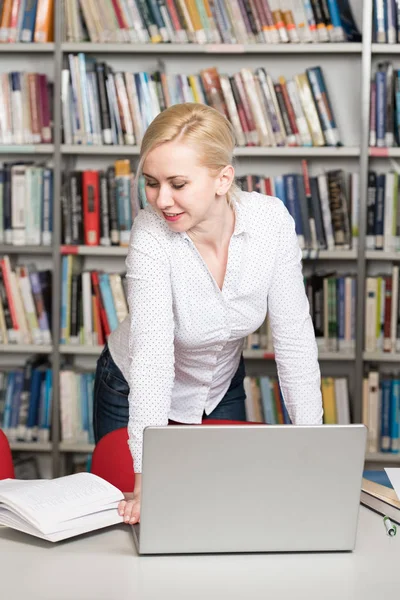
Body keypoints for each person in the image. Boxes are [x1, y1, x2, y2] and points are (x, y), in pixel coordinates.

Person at [93, 102, 323, 525]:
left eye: (178, 183)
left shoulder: (270, 222)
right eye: (151, 183)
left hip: (218, 384)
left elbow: (294, 342)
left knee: (220, 512)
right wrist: (145, 484)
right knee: (139, 521)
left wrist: (315, 455)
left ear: (223, 179)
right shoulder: (150, 234)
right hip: (132, 388)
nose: (162, 200)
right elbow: (152, 360)